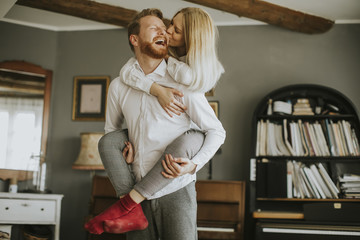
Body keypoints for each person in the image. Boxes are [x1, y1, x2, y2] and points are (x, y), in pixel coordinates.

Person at [84, 8, 225, 239]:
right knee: (106, 140)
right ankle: (128, 207)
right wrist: (125, 159)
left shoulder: (182, 82)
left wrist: (194, 165)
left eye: (166, 28)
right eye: (154, 28)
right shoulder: (120, 85)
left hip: (177, 189)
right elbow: (113, 132)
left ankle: (124, 207)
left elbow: (216, 131)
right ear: (135, 39)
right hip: (136, 186)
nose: (164, 32)